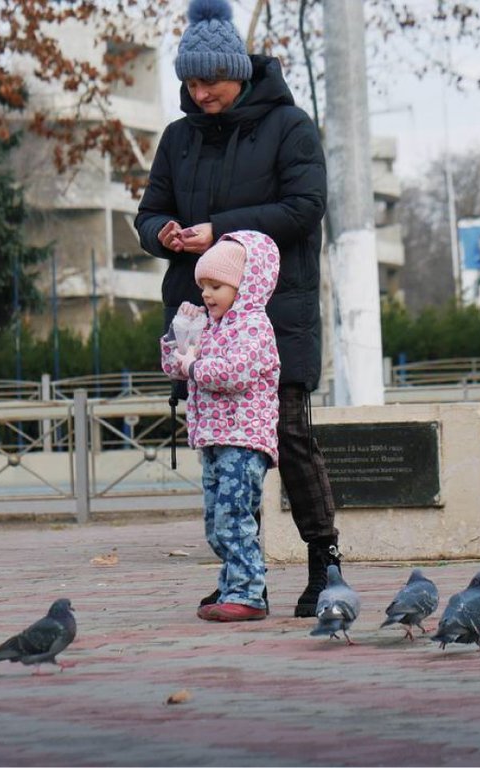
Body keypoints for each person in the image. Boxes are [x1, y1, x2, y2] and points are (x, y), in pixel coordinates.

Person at [136, 0, 341, 618]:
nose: (200, 94)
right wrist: (164, 233)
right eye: (190, 83)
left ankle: (324, 565)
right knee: (225, 452)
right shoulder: (177, 139)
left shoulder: (291, 127)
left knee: (289, 435)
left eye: (211, 81)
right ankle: (240, 579)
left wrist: (218, 231)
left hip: (278, 317)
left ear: (240, 72)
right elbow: (148, 212)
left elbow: (305, 208)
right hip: (205, 322)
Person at [161, 231, 280, 621]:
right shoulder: (212, 327)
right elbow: (176, 366)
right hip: (213, 436)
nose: (207, 294)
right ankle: (233, 588)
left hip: (244, 439)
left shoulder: (254, 326)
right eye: (203, 286)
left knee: (234, 517)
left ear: (243, 285)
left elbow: (235, 373)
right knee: (216, 526)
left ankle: (248, 594)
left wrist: (193, 366)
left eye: (216, 285)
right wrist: (180, 336)